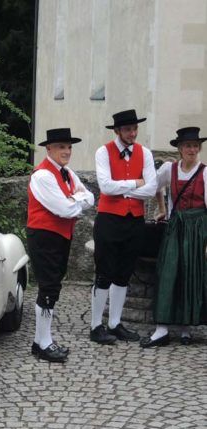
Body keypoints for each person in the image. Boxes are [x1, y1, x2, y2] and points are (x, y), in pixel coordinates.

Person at [90, 109, 157, 344]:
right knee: (104, 272)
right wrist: (135, 183)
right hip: (109, 219)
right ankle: (96, 325)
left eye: (135, 129)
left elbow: (151, 188)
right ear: (118, 131)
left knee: (124, 273)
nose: (133, 133)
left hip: (134, 220)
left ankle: (115, 323)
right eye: (128, 129)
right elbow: (106, 187)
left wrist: (126, 187)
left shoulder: (144, 153)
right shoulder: (103, 152)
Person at [27, 128, 94, 362]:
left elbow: (91, 197)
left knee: (53, 286)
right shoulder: (43, 176)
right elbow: (63, 210)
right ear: (49, 149)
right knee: (48, 287)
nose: (67, 151)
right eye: (61, 147)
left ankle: (40, 341)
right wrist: (76, 199)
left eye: (69, 147)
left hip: (60, 235)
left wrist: (73, 199)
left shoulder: (67, 173)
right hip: (44, 236)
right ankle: (43, 343)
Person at [140, 127, 207, 347]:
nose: (192, 150)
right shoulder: (170, 169)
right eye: (188, 146)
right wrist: (162, 209)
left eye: (195, 146)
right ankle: (162, 329)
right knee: (168, 272)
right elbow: (153, 187)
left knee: (191, 275)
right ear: (179, 148)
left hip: (198, 230)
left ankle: (186, 328)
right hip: (176, 226)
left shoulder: (205, 172)